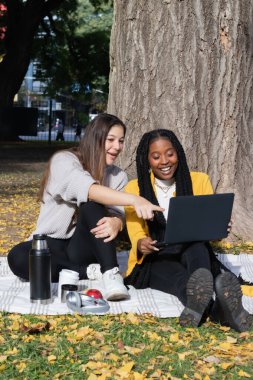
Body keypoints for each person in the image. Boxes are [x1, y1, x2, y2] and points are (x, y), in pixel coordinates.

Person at [7, 114, 163, 301]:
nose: (117, 147)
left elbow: (119, 214)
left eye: (121, 141)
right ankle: (88, 272)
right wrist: (135, 199)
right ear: (95, 138)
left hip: (84, 245)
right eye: (111, 140)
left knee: (92, 203)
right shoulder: (63, 160)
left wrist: (117, 222)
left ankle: (110, 274)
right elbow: (85, 187)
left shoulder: (118, 176)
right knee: (17, 257)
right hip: (52, 244)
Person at [124, 129, 251, 331]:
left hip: (191, 249)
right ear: (146, 159)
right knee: (180, 281)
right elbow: (135, 230)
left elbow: (208, 228)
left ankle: (209, 304)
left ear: (179, 153)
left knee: (198, 246)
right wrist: (141, 243)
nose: (164, 161)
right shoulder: (135, 188)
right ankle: (217, 309)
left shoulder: (199, 180)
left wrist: (218, 228)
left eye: (170, 154)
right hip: (156, 256)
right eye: (156, 156)